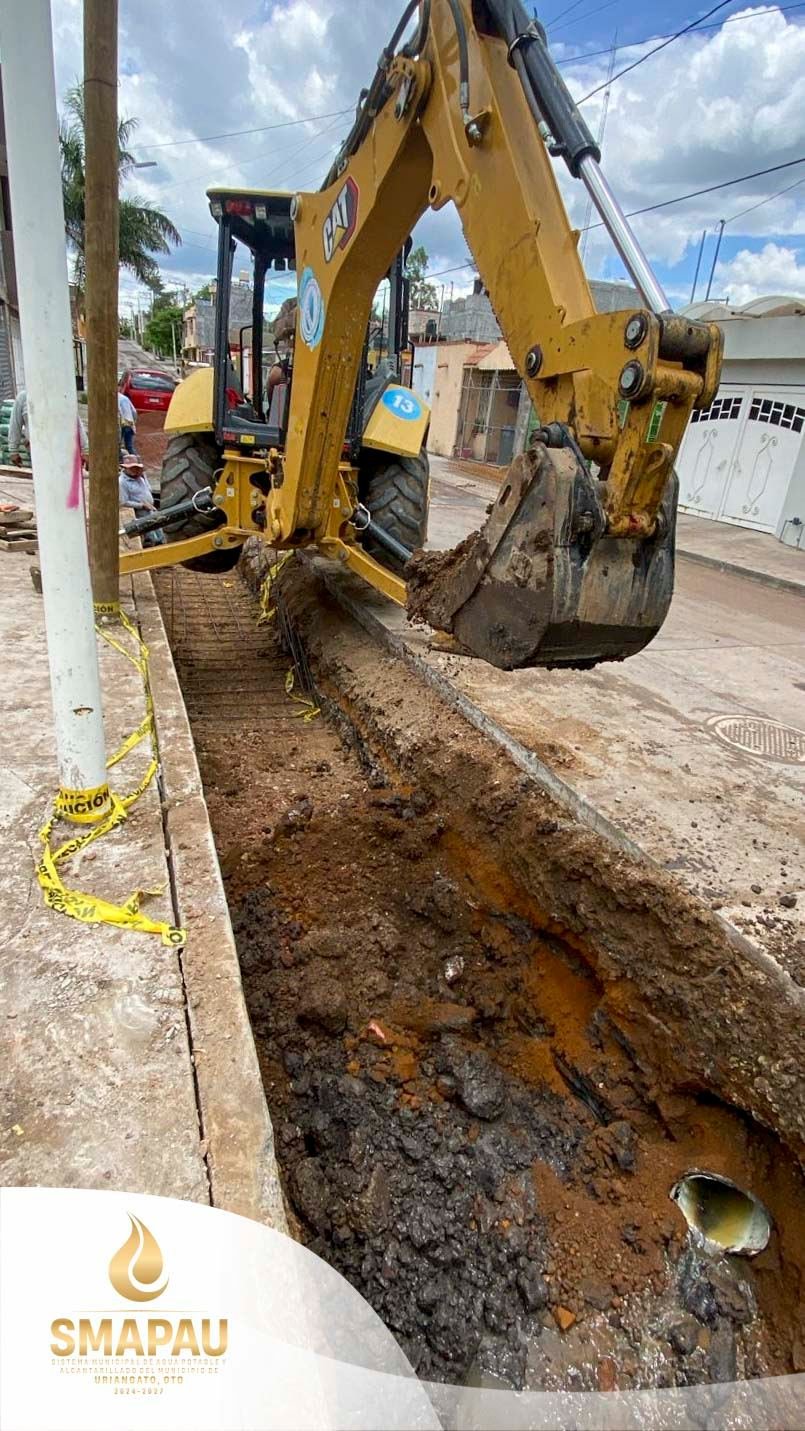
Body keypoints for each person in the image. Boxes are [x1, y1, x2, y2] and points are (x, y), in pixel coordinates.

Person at [8, 388, 88, 465]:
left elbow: (75, 422)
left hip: (62, 451)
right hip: (37, 452)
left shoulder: (61, 395)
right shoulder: (23, 397)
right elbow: (15, 424)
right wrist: (13, 450)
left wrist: (85, 449)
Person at [118, 453, 165, 546]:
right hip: (140, 514)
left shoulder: (140, 477)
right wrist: (142, 505)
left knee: (160, 535)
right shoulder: (122, 482)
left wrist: (143, 476)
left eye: (137, 468)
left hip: (151, 510)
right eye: (132, 468)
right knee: (151, 537)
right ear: (125, 468)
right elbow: (123, 502)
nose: (135, 470)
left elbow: (149, 489)